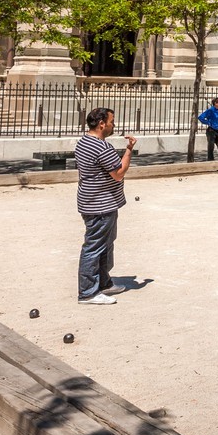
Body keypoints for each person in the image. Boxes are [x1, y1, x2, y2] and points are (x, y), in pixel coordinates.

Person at [74, 108, 134, 305]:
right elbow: (118, 172)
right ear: (102, 124)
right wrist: (129, 150)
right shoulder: (101, 147)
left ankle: (103, 282)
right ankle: (88, 292)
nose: (113, 125)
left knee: (105, 244)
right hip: (100, 205)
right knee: (94, 246)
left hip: (94, 201)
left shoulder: (84, 142)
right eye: (111, 121)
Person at [198, 96, 218, 161]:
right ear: (215, 103)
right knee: (211, 147)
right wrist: (208, 122)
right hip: (211, 131)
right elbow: (201, 117)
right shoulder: (211, 110)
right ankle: (210, 160)